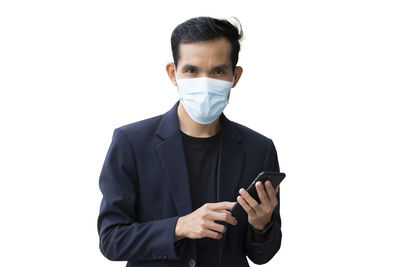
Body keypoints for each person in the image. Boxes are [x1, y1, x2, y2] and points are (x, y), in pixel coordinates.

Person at [97, 16, 282, 267]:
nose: (204, 83)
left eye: (218, 71)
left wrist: (261, 226)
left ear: (235, 76)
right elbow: (111, 239)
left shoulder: (258, 149)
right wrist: (178, 227)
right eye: (191, 70)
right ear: (174, 73)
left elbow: (262, 255)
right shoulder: (131, 143)